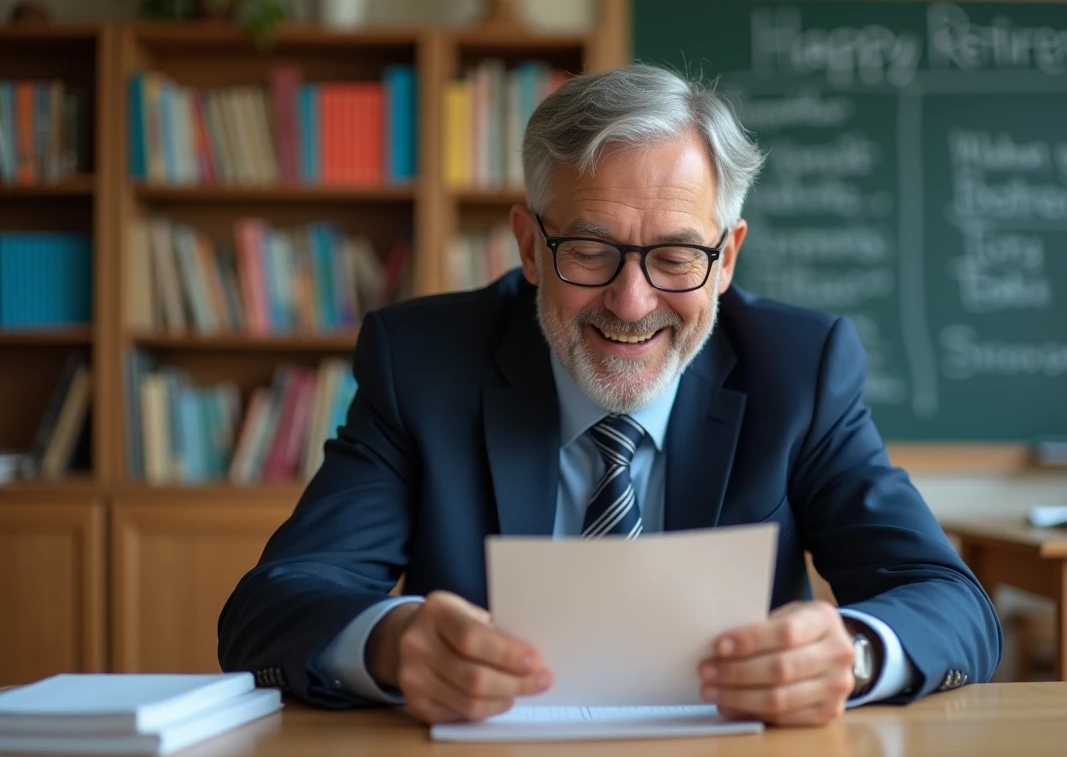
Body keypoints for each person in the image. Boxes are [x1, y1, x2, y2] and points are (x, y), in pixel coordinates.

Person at [218, 64, 1002, 728]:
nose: (631, 302)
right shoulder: (424, 363)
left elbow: (951, 604)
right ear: (529, 246)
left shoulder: (798, 370)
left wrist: (856, 654)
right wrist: (390, 643)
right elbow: (272, 607)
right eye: (589, 251)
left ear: (726, 258)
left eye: (674, 257)